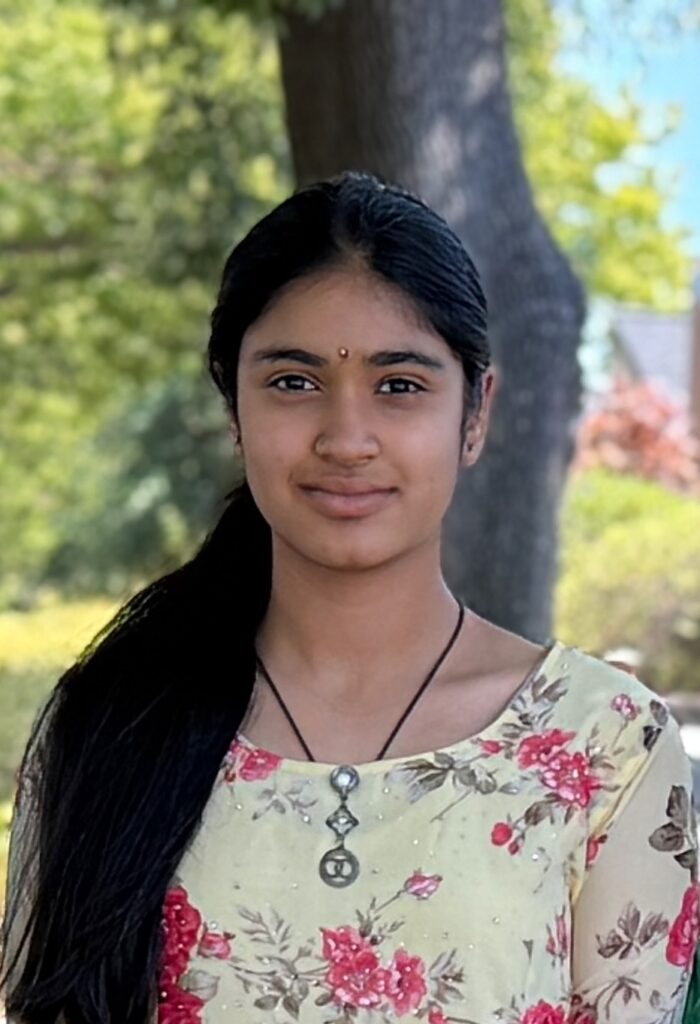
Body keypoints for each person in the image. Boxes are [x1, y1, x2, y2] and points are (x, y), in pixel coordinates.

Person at [1, 170, 697, 1024]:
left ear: (476, 414)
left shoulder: (605, 746)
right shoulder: (110, 727)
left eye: (399, 385)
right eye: (293, 382)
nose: (346, 438)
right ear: (234, 409)